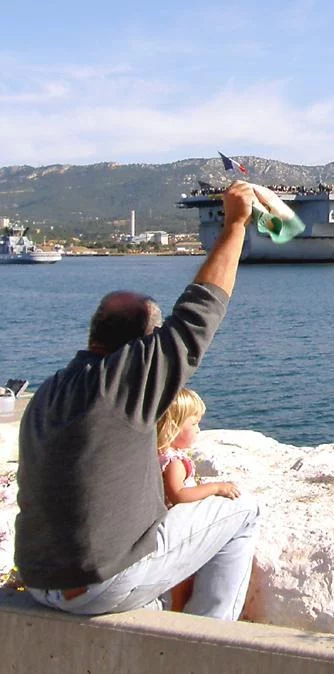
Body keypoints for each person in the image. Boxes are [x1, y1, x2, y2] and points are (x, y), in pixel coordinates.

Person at [15, 180, 261, 620]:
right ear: (145, 343)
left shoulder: (48, 391)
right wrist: (236, 225)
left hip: (39, 580)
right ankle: (209, 634)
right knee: (244, 510)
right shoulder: (126, 381)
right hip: (99, 583)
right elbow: (201, 311)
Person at [156, 387, 239, 611]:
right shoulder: (173, 461)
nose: (198, 429)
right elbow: (178, 494)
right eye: (193, 424)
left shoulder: (157, 453)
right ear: (173, 427)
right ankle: (178, 610)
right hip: (176, 526)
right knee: (184, 576)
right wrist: (214, 488)